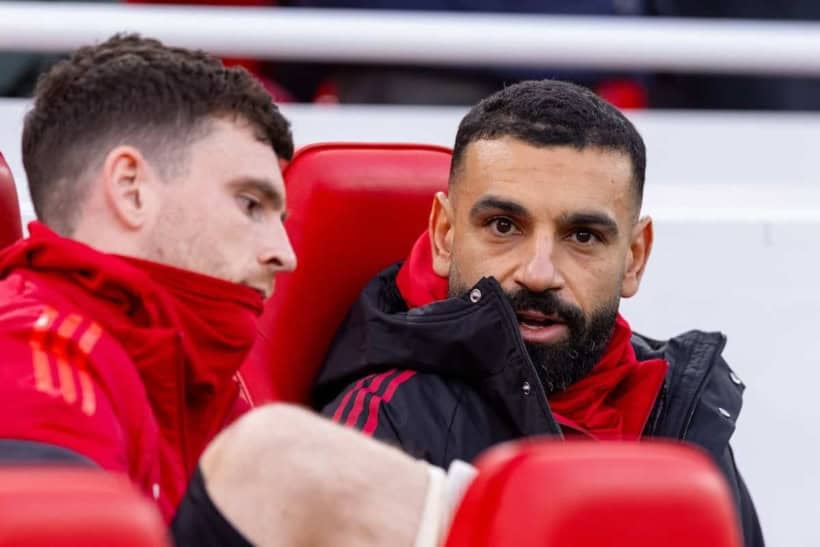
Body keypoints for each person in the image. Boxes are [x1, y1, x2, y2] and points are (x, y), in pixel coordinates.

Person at [0, 34, 465, 547]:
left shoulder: (200, 375)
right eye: (250, 205)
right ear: (131, 189)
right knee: (279, 458)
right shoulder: (27, 358)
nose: (284, 255)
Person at [314, 79, 764, 546]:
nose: (538, 272)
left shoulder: (682, 410)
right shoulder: (390, 417)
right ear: (444, 235)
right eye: (504, 226)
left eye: (583, 236)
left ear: (634, 258)